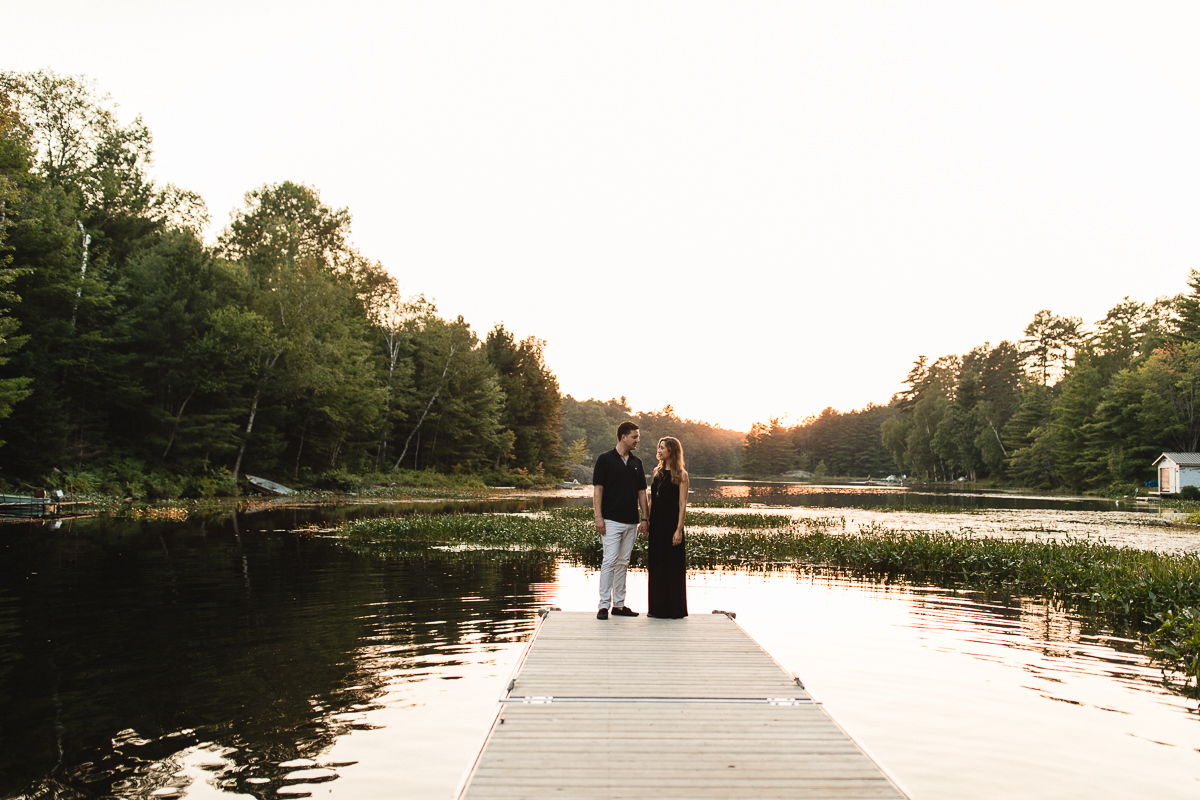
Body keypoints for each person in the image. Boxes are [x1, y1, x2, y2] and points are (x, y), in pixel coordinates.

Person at [592, 421, 649, 620]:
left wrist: (645, 518)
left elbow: (642, 492)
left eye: (638, 436)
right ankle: (603, 606)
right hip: (610, 521)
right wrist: (598, 517)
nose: (637, 440)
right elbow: (598, 490)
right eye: (634, 436)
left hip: (631, 522)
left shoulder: (637, 463)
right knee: (609, 561)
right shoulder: (605, 459)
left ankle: (619, 605)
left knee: (623, 562)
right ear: (623, 437)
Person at [646, 436, 688, 618]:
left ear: (672, 450)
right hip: (656, 525)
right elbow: (651, 499)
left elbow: (682, 504)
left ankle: (674, 609)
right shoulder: (657, 471)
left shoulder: (681, 474)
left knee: (672, 566)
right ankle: (657, 609)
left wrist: (678, 529)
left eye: (662, 447)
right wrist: (645, 520)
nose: (659, 450)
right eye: (659, 447)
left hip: (672, 525)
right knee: (657, 564)